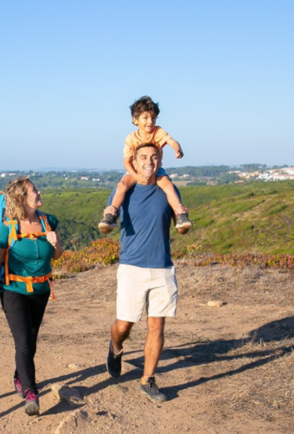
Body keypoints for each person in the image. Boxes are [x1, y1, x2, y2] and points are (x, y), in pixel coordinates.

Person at [103, 143, 190, 403]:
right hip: (132, 267)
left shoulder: (168, 187)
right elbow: (109, 221)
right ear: (134, 160)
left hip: (162, 266)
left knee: (157, 325)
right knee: (124, 325)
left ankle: (148, 379)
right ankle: (116, 346)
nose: (149, 161)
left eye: (154, 157)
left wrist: (183, 221)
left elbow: (181, 224)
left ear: (160, 159)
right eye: (143, 157)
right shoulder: (125, 190)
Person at [0, 176, 64, 416]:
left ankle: (19, 375)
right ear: (21, 199)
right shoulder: (7, 228)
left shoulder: (49, 222)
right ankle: (30, 393)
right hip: (13, 291)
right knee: (24, 341)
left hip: (41, 291)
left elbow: (56, 256)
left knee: (31, 340)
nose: (39, 191)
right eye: (34, 190)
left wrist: (57, 245)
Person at [98, 95, 193, 234]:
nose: (150, 122)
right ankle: (111, 214)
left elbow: (171, 141)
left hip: (156, 169)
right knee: (122, 186)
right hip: (135, 170)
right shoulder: (131, 138)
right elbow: (127, 162)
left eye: (153, 118)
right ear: (135, 120)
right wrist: (136, 177)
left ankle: (180, 214)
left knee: (167, 185)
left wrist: (177, 148)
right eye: (145, 118)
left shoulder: (158, 132)